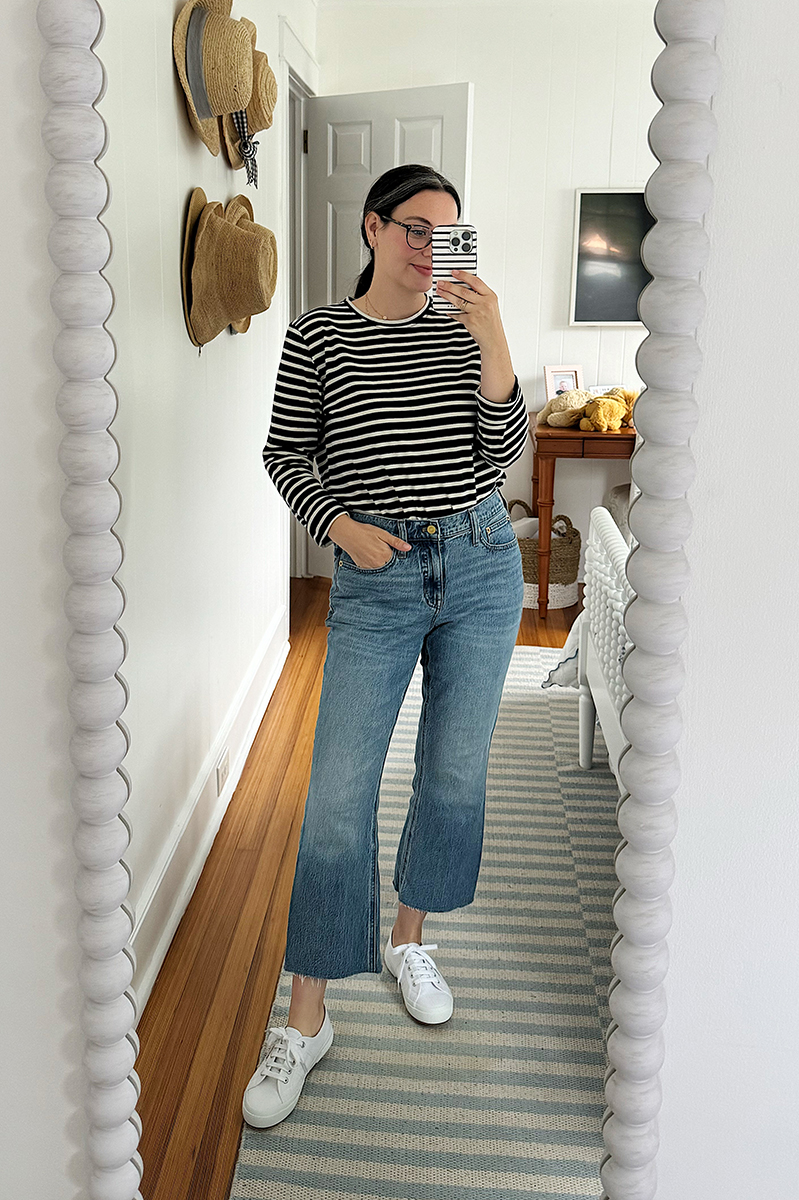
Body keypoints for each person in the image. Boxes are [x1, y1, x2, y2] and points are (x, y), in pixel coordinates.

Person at [243, 164, 528, 1129]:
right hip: (378, 573)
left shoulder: (465, 323)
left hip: (484, 562)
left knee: (453, 775)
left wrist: (492, 340)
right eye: (413, 228)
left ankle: (413, 939)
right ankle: (307, 1014)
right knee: (334, 797)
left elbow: (504, 454)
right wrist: (341, 527)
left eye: (447, 232)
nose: (429, 248)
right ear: (371, 228)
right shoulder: (320, 333)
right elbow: (286, 451)